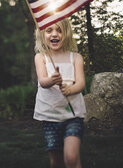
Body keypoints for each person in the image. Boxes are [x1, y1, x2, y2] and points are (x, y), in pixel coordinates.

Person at [33, 18, 87, 168]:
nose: (54, 34)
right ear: (42, 34)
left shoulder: (75, 57)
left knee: (70, 156)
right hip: (50, 116)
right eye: (49, 30)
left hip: (73, 115)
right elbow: (43, 81)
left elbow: (81, 83)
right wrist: (52, 80)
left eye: (59, 30)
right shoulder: (41, 57)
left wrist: (70, 89)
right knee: (56, 161)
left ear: (67, 33)